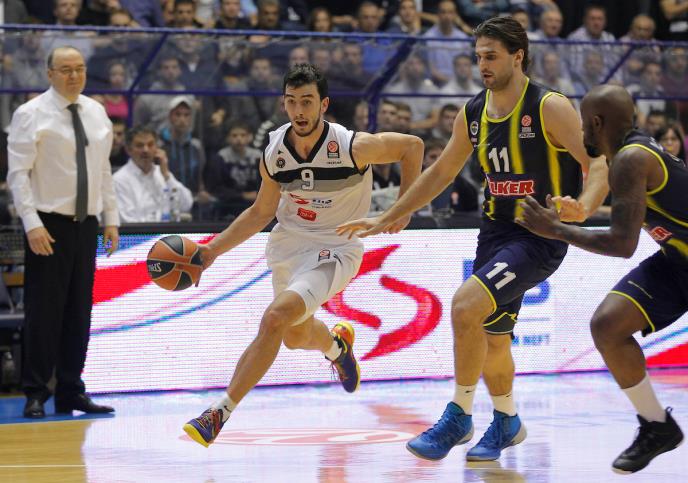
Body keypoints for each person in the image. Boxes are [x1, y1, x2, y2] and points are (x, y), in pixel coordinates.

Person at [337, 17, 608, 462]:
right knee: (493, 335)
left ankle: (459, 415)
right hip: (495, 232)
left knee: (465, 305)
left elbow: (597, 163)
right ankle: (507, 420)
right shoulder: (474, 111)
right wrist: (392, 213)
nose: (482, 65)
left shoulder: (548, 106)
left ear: (518, 57)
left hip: (538, 235)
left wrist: (585, 206)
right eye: (478, 56)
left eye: (491, 56)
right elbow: (441, 172)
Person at [182, 63, 423, 447]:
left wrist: (403, 208)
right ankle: (337, 347)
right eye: (292, 102)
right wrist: (212, 250)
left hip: (337, 246)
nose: (299, 110)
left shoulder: (351, 147)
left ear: (323, 105)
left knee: (275, 318)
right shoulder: (275, 151)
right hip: (289, 245)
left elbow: (412, 147)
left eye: (307, 101)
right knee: (294, 335)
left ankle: (219, 412)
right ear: (284, 104)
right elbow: (260, 212)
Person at [516, 84, 685, 474]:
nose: (580, 131)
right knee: (608, 325)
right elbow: (597, 200)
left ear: (595, 123)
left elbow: (623, 244)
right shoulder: (624, 156)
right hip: (677, 261)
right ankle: (657, 426)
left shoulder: (632, 159)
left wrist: (556, 230)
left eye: (582, 124)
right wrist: (574, 213)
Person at [7, 46, 119, 418]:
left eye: (80, 68)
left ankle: (71, 390)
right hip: (48, 224)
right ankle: (36, 391)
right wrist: (32, 223)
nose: (74, 76)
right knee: (44, 312)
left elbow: (103, 171)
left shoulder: (97, 112)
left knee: (78, 312)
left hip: (86, 224)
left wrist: (111, 218)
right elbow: (18, 175)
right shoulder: (30, 114)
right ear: (50, 73)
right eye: (66, 69)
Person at [113, 125, 193, 223]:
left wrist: (167, 176)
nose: (146, 150)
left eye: (150, 145)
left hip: (167, 231)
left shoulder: (162, 173)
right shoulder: (119, 180)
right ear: (128, 150)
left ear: (157, 148)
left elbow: (186, 205)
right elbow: (127, 220)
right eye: (140, 145)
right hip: (140, 233)